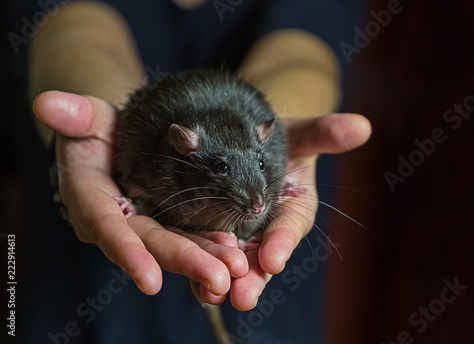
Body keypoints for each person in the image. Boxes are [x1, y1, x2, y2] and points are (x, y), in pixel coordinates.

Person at [15, 0, 370, 342]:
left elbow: (311, 38)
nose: (257, 202)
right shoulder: (164, 163)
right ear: (188, 152)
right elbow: (71, 28)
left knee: (254, 304)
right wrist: (102, 127)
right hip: (84, 283)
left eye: (260, 165)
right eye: (221, 168)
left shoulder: (264, 146)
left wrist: (282, 161)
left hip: (268, 298)